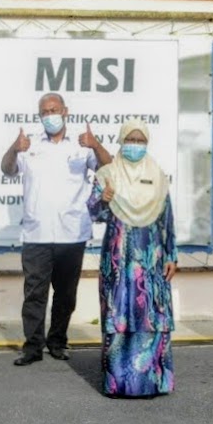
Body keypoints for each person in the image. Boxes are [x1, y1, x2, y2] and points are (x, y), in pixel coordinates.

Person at [0, 92, 111, 365]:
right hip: (36, 233)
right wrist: (14, 148)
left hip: (72, 233)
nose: (50, 116)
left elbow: (109, 167)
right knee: (34, 294)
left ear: (65, 111)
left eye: (54, 110)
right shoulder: (29, 145)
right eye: (44, 112)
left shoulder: (82, 145)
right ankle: (32, 347)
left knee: (66, 294)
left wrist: (95, 144)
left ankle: (58, 341)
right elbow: (7, 169)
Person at [88, 120, 178, 397]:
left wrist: (171, 255)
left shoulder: (158, 176)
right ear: (121, 140)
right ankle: (118, 383)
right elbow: (93, 213)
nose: (135, 145)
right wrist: (103, 199)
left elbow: (167, 219)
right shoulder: (108, 174)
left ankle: (153, 382)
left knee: (151, 314)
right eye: (130, 139)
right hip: (118, 258)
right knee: (119, 313)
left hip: (151, 258)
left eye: (140, 141)